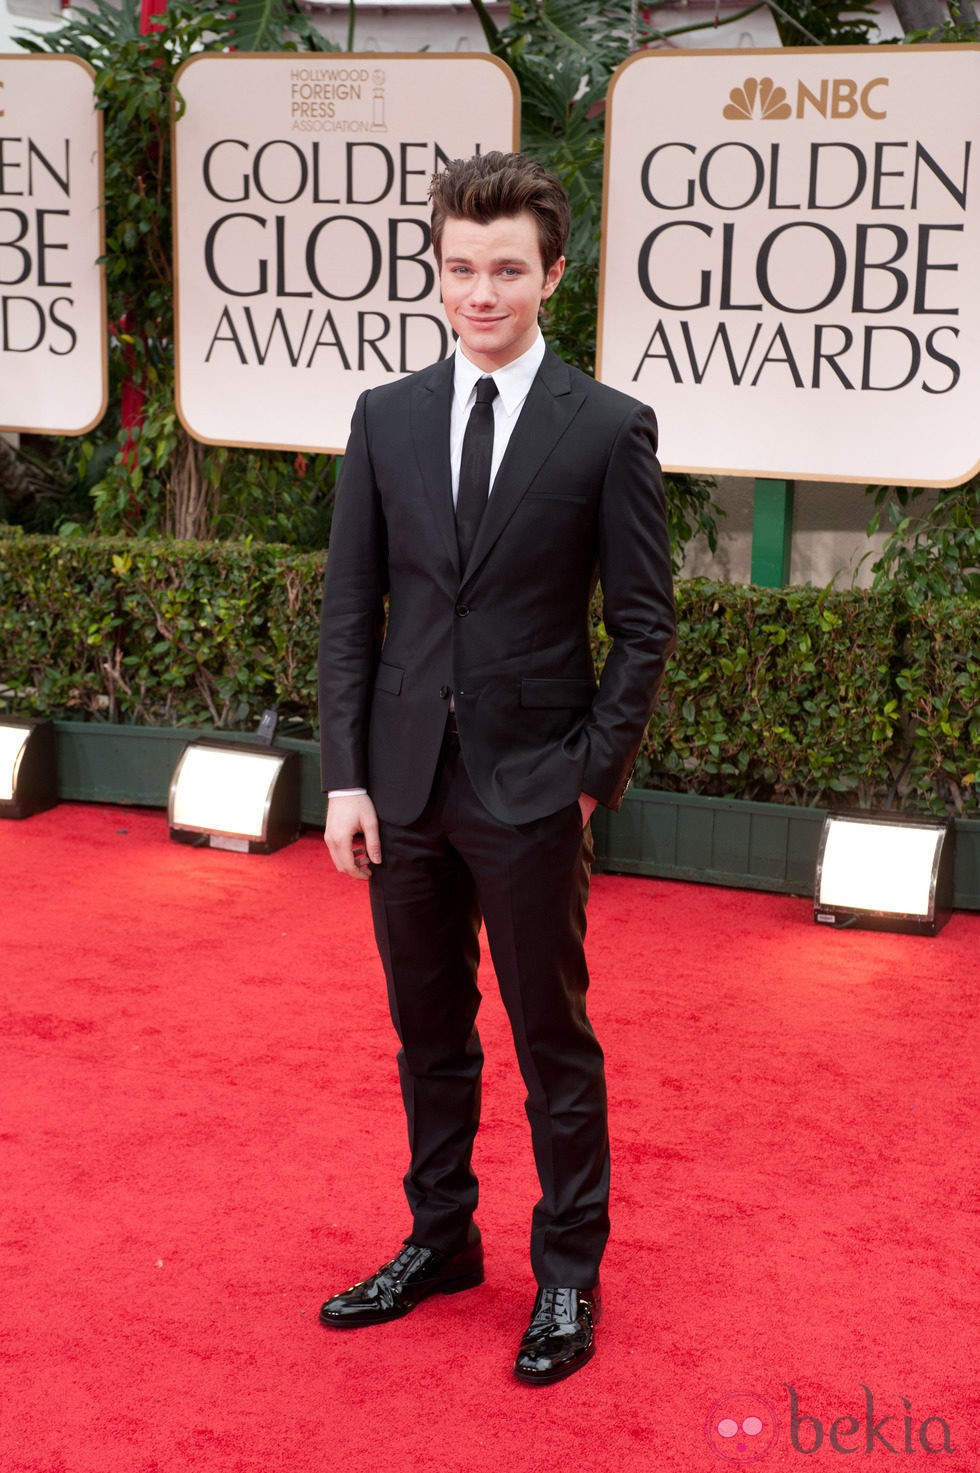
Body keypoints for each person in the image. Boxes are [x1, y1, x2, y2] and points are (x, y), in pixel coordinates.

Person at [316, 151, 675, 1385]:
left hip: (531, 788)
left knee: (548, 1039)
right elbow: (350, 608)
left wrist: (587, 775)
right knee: (428, 1034)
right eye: (461, 268)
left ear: (552, 275)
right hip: (401, 785)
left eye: (506, 269)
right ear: (435, 269)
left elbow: (645, 621)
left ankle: (566, 1274)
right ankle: (441, 1240)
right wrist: (344, 777)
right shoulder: (385, 416)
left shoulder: (607, 427)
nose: (482, 291)